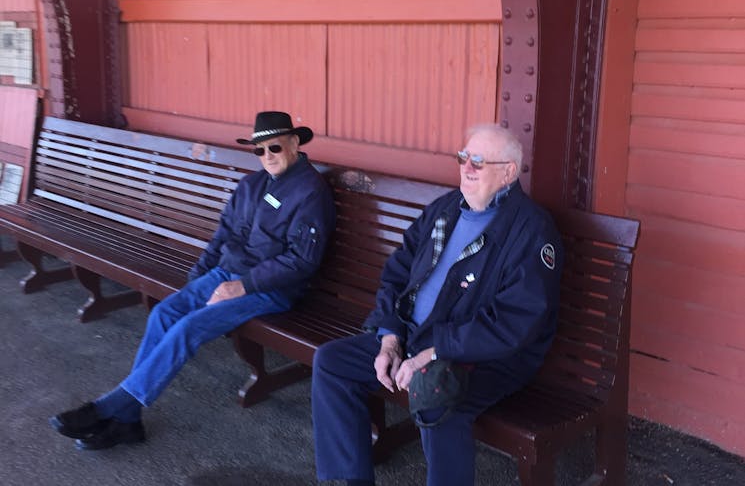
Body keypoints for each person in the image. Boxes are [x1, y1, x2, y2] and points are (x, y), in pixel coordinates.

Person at [50, 110, 336, 450]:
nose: (267, 157)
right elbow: (222, 236)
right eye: (259, 151)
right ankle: (128, 419)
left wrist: (241, 286)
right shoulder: (251, 184)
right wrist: (198, 279)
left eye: (274, 148)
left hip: (271, 290)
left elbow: (302, 260)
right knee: (164, 314)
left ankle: (110, 407)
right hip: (224, 273)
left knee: (188, 328)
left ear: (293, 143)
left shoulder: (311, 192)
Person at [311, 124, 564, 486]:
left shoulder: (532, 231)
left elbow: (515, 322)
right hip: (414, 338)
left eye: (479, 161)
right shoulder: (445, 209)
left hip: (485, 356)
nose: (467, 168)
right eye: (464, 158)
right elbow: (396, 272)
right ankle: (351, 480)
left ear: (509, 172)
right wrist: (389, 337)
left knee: (436, 397)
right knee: (332, 363)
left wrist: (431, 353)